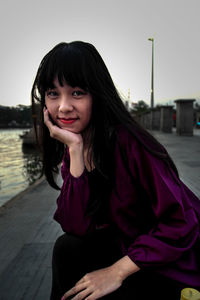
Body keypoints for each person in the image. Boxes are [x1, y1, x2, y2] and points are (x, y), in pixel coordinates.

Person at [31, 41, 200, 300]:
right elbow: (75, 226)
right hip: (130, 249)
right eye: (53, 93)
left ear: (96, 95)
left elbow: (182, 222)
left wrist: (116, 271)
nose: (63, 106)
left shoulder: (131, 143)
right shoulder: (75, 143)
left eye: (77, 92)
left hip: (171, 265)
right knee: (67, 248)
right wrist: (75, 151)